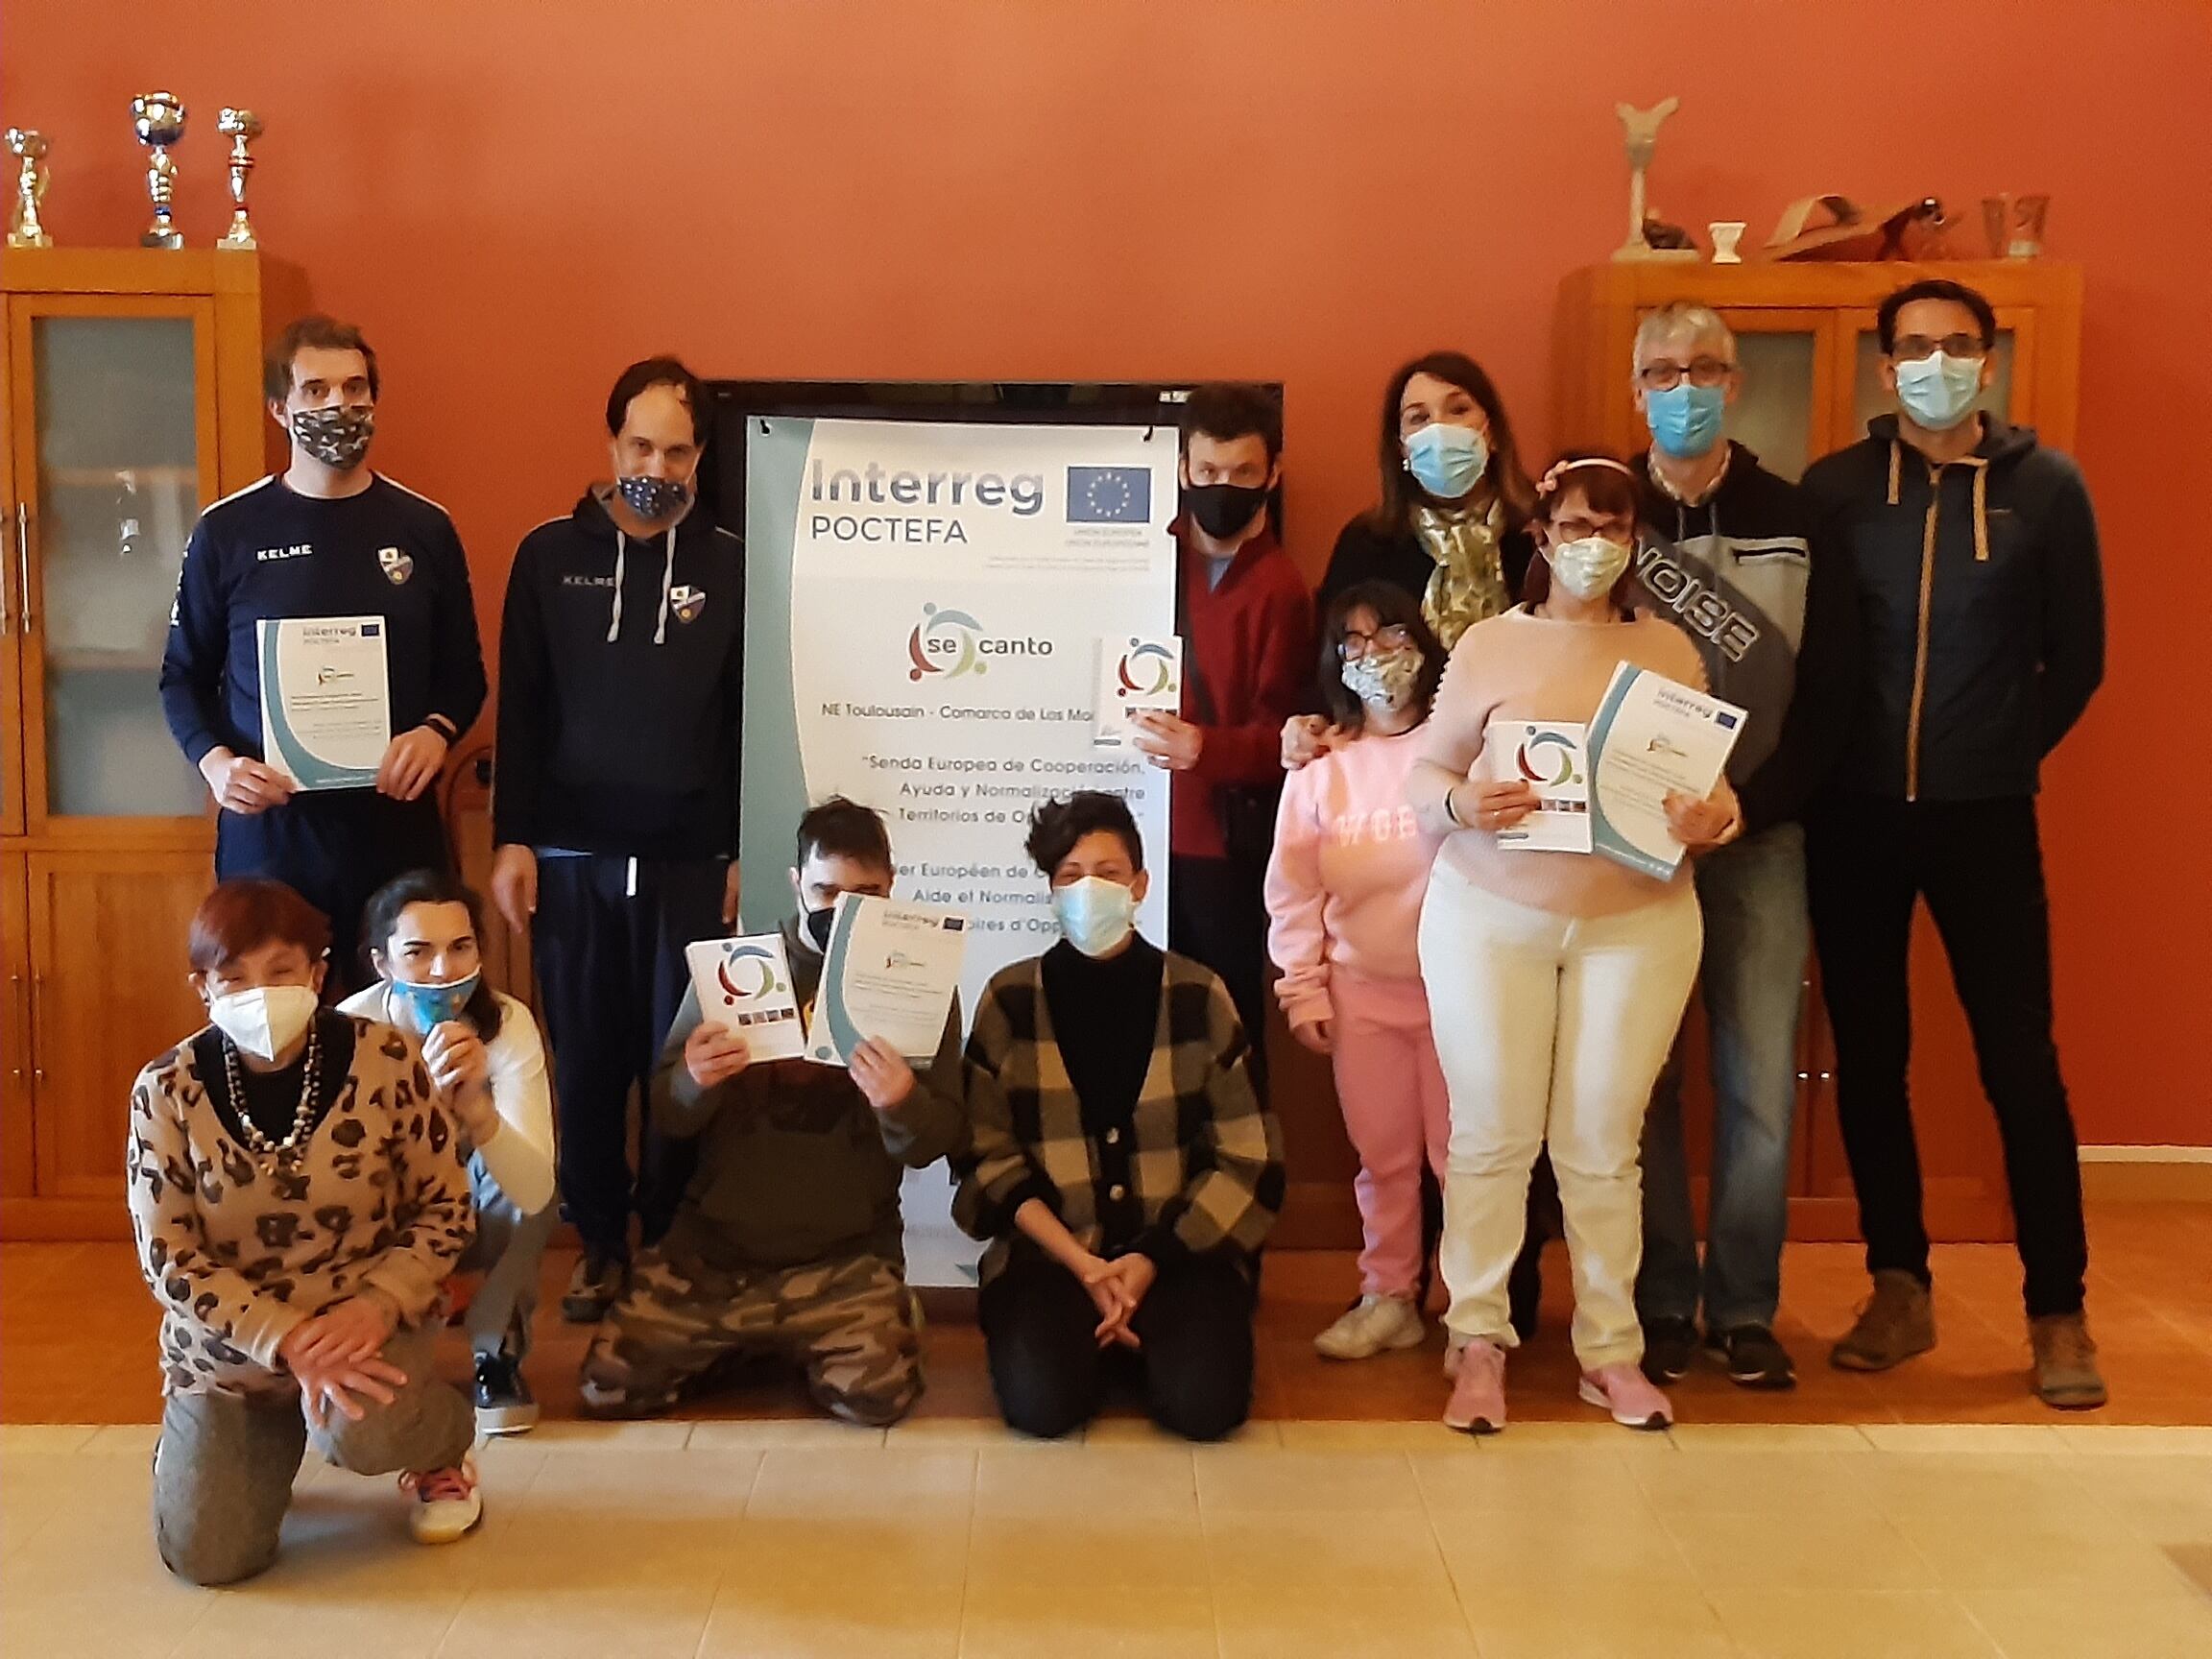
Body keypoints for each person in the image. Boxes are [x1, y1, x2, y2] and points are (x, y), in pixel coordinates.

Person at [1800, 278, 2106, 1408]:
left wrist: (1998, 751)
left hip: (1987, 818)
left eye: (1959, 345)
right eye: (1917, 347)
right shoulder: (1837, 490)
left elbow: (2079, 658)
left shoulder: (2048, 489)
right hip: (1854, 816)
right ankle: (1899, 1286)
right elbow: (1815, 651)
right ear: (1887, 369)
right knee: (1869, 1058)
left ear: (1990, 360)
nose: (1938, 363)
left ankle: (2059, 1313)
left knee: (2020, 1063)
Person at [1408, 455, 1742, 1434]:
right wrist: (1463, 803)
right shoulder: (1487, 644)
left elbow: (1715, 793)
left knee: (1601, 1143)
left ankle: (1610, 1350)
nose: (1593, 545)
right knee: (1492, 1136)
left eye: (1612, 528)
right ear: (1542, 537)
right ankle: (1477, 1339)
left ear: (1635, 540)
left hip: (1639, 924)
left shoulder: (1669, 649)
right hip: (1488, 915)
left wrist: (1713, 821)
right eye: (1575, 527)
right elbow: (1426, 775)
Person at [1624, 303, 1861, 1392]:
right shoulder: (1606, 513)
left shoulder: (1800, 518)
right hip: (1636, 849)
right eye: (1662, 371)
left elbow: (1832, 697)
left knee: (1761, 1080)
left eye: (1704, 368)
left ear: (1736, 383)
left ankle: (1746, 1307)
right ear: (1636, 389)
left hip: (1761, 839)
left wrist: (1748, 810)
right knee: (1645, 1080)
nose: (1684, 388)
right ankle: (1662, 1299)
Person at [127, 879, 479, 1585]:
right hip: (232, 1354)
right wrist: (286, 1339)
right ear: (203, 987)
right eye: (233, 977)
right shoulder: (164, 1089)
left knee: (363, 1431)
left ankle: (442, 1442)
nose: (259, 993)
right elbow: (169, 1258)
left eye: (281, 970)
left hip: (366, 1327)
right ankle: (229, 1449)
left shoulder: (387, 1060)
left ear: (317, 974)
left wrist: (376, 1304)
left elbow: (446, 1206)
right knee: (209, 1557)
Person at [490, 356, 746, 1324]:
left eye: (676, 452)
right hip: (572, 860)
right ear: (611, 444)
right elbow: (522, 706)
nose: (656, 468)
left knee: (682, 1062)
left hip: (692, 861)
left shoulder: (732, 560)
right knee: (589, 1062)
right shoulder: (547, 555)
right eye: (640, 446)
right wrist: (513, 839)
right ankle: (600, 1243)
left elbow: (744, 715)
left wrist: (738, 848)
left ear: (700, 455)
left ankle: (671, 1242)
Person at [579, 798, 964, 1427]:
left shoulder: (919, 986)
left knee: (878, 1397)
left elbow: (934, 1142)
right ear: (796, 882)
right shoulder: (734, 971)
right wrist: (693, 1081)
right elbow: (667, 1117)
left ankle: (788, 1338)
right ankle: (754, 1343)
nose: (842, 910)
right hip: (713, 1254)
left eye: (866, 894)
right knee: (608, 1389)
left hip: (845, 1258)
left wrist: (902, 1102)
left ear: (891, 886)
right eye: (826, 891)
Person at [160, 316, 489, 991]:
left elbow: (464, 674)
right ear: (279, 409)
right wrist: (217, 765)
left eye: (354, 388)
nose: (339, 405)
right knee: (275, 1028)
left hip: (395, 834)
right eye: (315, 390)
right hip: (272, 837)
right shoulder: (227, 531)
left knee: (403, 1030)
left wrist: (436, 732)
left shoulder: (424, 528)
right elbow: (180, 677)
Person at [958, 792, 1285, 1441]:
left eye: (1108, 874)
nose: (1089, 890)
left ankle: (1134, 1337)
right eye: (1071, 875)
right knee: (1043, 1408)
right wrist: (1086, 1266)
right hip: (1051, 1259)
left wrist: (1148, 1260)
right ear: (1051, 892)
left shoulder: (1199, 994)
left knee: (1206, 1408)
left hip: (1180, 1254)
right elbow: (985, 1156)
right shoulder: (1008, 1000)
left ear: (1139, 884)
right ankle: (1110, 1340)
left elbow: (1250, 1158)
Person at [1262, 582, 1450, 1359]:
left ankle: (1475, 1314)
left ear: (1422, 643)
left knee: (1465, 1163)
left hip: (1462, 1000)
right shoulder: (1320, 765)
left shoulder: (1457, 746)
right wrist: (1301, 987)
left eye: (1391, 635)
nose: (1375, 656)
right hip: (1361, 996)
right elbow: (1293, 889)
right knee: (1384, 1160)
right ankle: (1389, 1297)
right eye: (1355, 642)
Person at [1132, 383, 1312, 1101]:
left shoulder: (1282, 589)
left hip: (1221, 853)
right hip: (1131, 832)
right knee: (1136, 1032)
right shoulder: (1140, 552)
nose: (1221, 487)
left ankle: (1240, 1164)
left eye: (1242, 472)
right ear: (1182, 467)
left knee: (1226, 1031)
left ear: (1273, 473)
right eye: (1207, 471)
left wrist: (1206, 751)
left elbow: (1286, 744)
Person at [342, 870, 557, 1434]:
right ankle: (366, 1340)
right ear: (382, 964)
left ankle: (498, 1354)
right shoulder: (349, 1030)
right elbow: (336, 1180)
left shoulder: (507, 1024)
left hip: (476, 1201)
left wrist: (478, 1112)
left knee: (520, 1179)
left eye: (460, 948)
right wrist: (422, 1106)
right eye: (418, 953)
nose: (443, 971)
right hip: (386, 1209)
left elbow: (534, 1188)